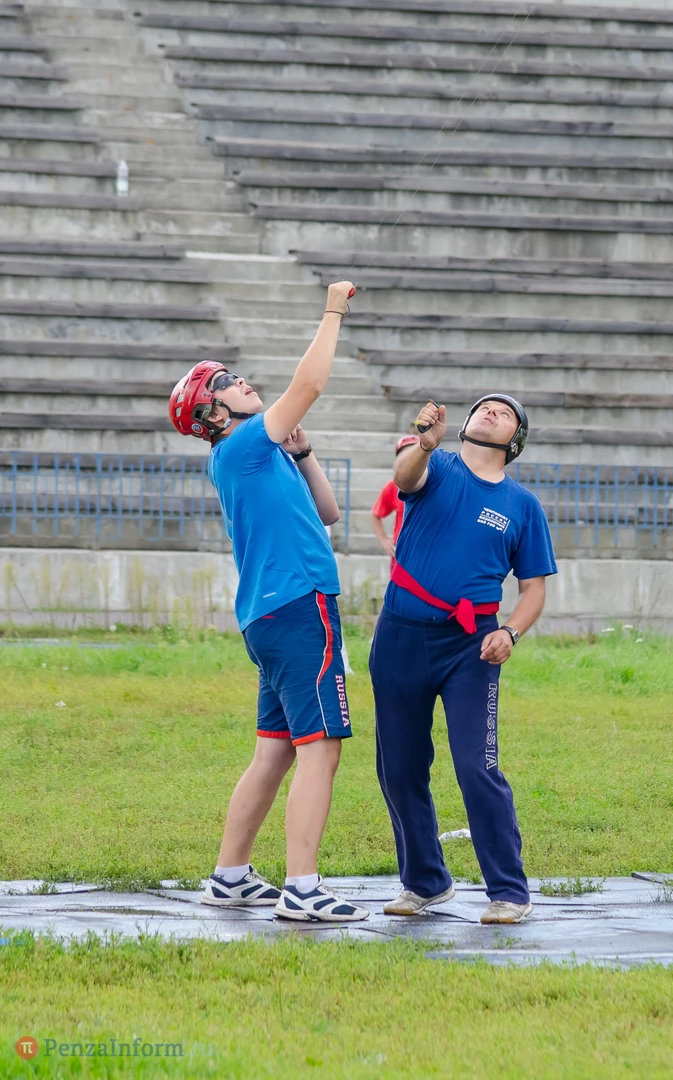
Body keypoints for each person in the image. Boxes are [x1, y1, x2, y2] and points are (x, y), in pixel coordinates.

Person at [168, 280, 369, 923]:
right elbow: (310, 384)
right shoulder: (248, 442)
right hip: (299, 607)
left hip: (271, 614)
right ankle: (303, 888)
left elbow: (328, 512)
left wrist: (304, 452)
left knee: (276, 750)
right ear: (212, 415)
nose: (242, 381)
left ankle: (230, 876)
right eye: (226, 382)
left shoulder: (256, 451)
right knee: (322, 747)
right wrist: (333, 310)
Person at [369, 395, 557, 924]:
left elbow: (534, 590)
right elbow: (404, 479)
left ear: (515, 440)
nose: (491, 411)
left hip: (471, 646)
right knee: (399, 766)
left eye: (505, 412)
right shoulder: (436, 465)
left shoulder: (522, 505)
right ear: (466, 423)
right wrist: (425, 445)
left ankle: (509, 891)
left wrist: (511, 633)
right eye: (484, 407)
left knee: (478, 766)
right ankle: (425, 882)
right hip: (400, 635)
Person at [370, 434, 420, 573]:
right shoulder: (393, 486)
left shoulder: (437, 484)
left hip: (430, 553)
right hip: (402, 555)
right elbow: (375, 515)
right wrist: (384, 540)